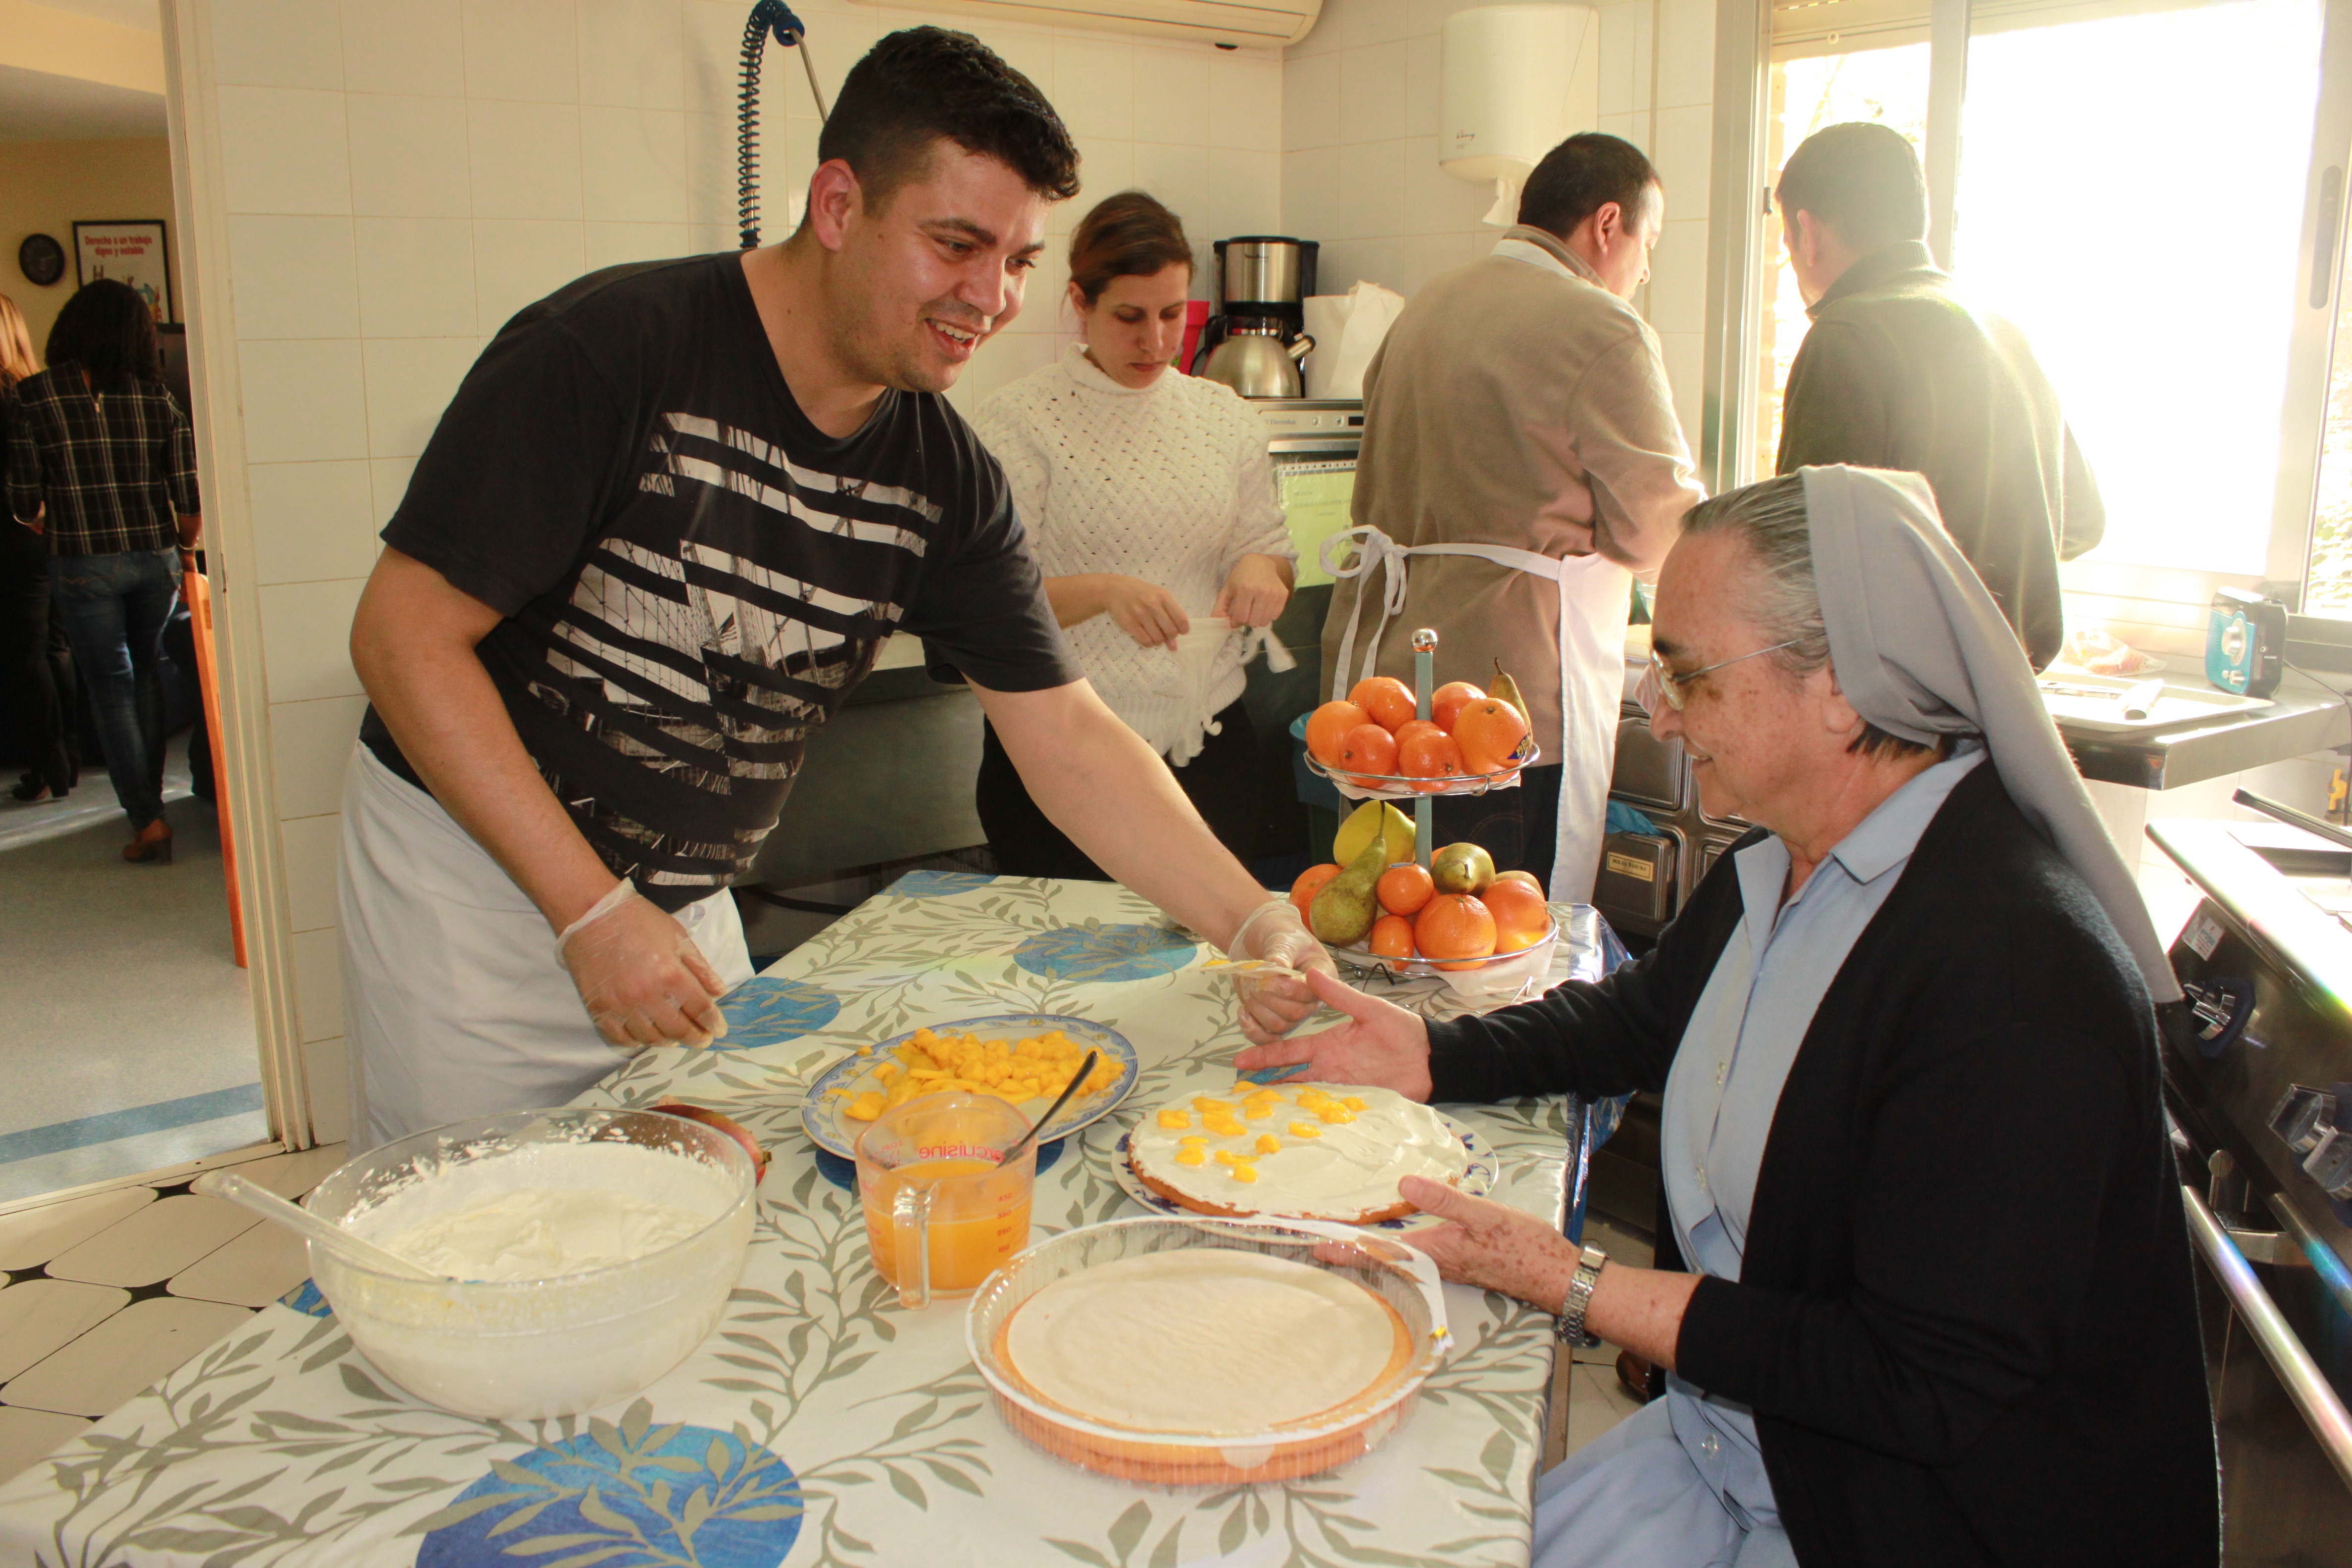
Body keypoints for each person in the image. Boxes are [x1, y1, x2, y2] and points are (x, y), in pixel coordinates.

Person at [340, 28, 1329, 1151]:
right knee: (479, 1219)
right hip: (477, 899)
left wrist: (1253, 918)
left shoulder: (939, 473)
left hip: (677, 909)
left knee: (700, 1200)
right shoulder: (608, 352)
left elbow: (1066, 736)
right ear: (836, 205)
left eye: (1016, 259)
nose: (991, 296)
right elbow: (402, 638)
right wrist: (590, 908)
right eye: (955, 245)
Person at [1244, 468, 2215, 1567]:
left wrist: (1574, 1281)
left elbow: (1917, 1380)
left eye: (1690, 676)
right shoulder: (1786, 862)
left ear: (1841, 687)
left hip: (1897, 1523)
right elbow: (1633, 1021)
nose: (1660, 713)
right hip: (1739, 1452)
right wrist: (1431, 1051)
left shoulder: (2014, 981)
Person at [1321, 132, 1704, 901]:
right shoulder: (1602, 327)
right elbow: (1660, 532)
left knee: (1400, 917)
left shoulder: (1427, 307)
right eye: (1649, 244)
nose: (1645, 271)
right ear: (1607, 225)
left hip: (1391, 689)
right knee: (1501, 934)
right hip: (1510, 695)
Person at [970, 191, 1296, 878]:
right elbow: (986, 601)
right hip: (1063, 755)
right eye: (1129, 317)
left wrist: (1262, 570)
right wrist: (1103, 592)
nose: (1156, 341)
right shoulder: (1020, 422)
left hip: (1210, 749)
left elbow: (1270, 550)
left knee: (1208, 940)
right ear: (1080, 303)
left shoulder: (1223, 417)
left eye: (1173, 314)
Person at [1774, 122, 2102, 672]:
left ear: (1809, 234)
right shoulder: (2007, 335)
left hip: (1901, 698)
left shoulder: (1848, 334)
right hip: (2011, 693)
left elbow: (1803, 555)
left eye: (1787, 245)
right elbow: (2083, 523)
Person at [5, 280, 200, 860]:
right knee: (147, 676)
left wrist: (45, 521)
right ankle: (154, 806)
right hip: (154, 560)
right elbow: (189, 501)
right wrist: (184, 550)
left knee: (110, 687)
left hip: (82, 563)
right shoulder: (157, 398)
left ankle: (147, 820)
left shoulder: (34, 397)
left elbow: (23, 500)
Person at [0, 292, 79, 806]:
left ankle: (49, 766)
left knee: (25, 656)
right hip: (49, 534)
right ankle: (66, 757)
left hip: (11, 534)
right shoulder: (36, 391)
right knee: (55, 648)